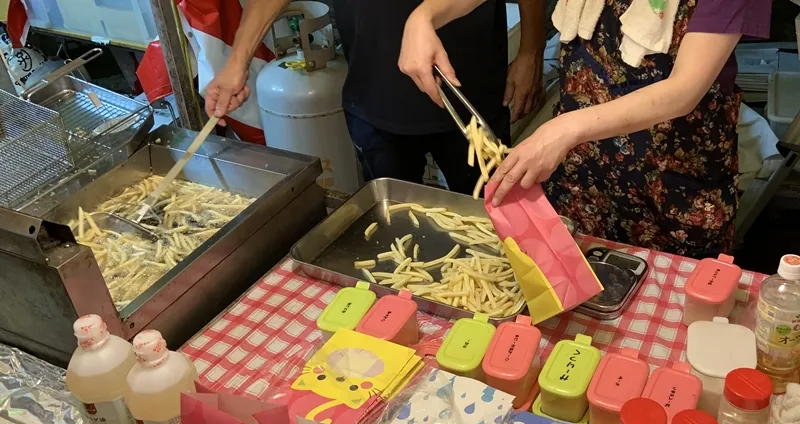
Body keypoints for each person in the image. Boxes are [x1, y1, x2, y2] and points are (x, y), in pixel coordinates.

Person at [400, 0, 770, 257]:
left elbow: (684, 89)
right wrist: (423, 17)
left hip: (673, 183)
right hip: (582, 177)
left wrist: (564, 129)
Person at [205, 0, 546, 196]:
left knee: (497, 221)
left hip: (470, 96)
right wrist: (237, 60)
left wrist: (532, 48)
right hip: (375, 98)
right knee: (399, 234)